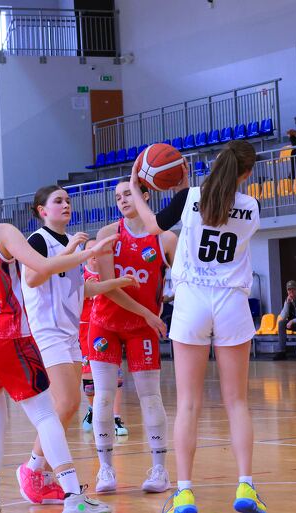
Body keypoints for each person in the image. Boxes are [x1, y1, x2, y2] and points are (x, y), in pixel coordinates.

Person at [0, 171, 113, 513]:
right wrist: (86, 253)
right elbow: (41, 267)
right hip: (4, 333)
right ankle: (73, 497)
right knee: (46, 415)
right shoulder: (1, 232)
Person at [129, 140, 267, 513]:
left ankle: (185, 492)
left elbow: (152, 225)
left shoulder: (189, 197)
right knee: (237, 402)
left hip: (192, 302)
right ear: (246, 173)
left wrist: (135, 186)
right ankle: (245, 487)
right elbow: (220, 205)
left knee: (188, 403)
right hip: (231, 302)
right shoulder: (252, 206)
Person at [18, 185, 137, 504]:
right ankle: (33, 470)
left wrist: (115, 283)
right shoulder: (38, 240)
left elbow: (79, 289)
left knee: (69, 406)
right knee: (67, 401)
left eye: (68, 200)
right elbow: (32, 278)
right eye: (58, 201)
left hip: (69, 333)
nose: (66, 204)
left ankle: (39, 471)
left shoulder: (69, 242)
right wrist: (74, 250)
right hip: (46, 331)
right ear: (42, 210)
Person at [89, 177, 177, 495]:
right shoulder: (108, 235)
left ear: (145, 196)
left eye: (128, 194)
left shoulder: (165, 239)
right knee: (103, 396)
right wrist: (149, 314)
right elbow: (110, 289)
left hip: (142, 329)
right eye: (118, 197)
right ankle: (105, 469)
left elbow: (183, 279)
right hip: (106, 324)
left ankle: (160, 470)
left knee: (150, 397)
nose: (123, 200)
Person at [80, 239, 129, 437]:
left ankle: (115, 417)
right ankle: (93, 409)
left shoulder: (110, 274)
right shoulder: (78, 277)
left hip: (107, 329)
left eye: (96, 249)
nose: (94, 253)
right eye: (89, 249)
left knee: (115, 375)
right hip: (85, 330)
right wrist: (84, 291)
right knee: (88, 376)